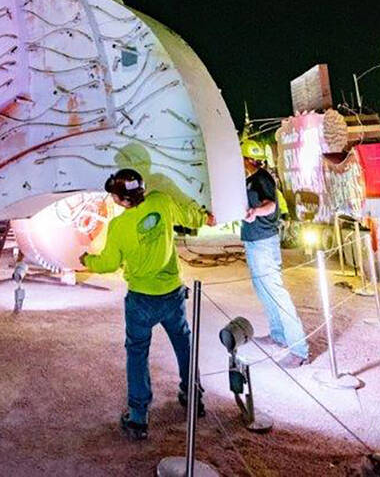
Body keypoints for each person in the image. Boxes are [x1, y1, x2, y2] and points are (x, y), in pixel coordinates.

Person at [78, 168, 215, 440]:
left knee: (137, 352)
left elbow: (108, 264)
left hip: (141, 299)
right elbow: (189, 216)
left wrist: (86, 260)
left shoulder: (119, 227)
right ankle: (193, 397)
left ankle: (139, 416)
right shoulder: (161, 201)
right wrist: (205, 217)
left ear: (119, 199)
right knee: (183, 341)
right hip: (172, 293)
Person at [242, 155, 308, 367]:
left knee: (276, 292)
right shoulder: (251, 179)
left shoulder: (262, 179)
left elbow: (270, 205)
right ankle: (278, 336)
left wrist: (255, 212)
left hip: (263, 243)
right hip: (255, 242)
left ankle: (299, 350)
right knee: (263, 290)